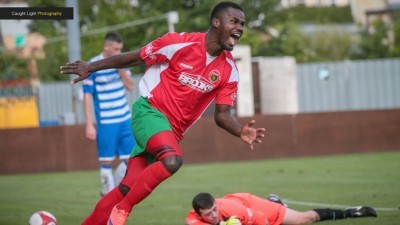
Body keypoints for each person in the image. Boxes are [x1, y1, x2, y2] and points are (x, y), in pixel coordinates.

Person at [60, 2, 266, 225]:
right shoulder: (177, 43)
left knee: (126, 188)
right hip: (149, 113)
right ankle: (122, 211)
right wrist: (91, 67)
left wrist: (240, 131)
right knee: (172, 161)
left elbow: (222, 115)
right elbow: (136, 57)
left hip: (170, 132)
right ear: (216, 22)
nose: (240, 28)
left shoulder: (229, 70)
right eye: (234, 21)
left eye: (242, 24)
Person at [82, 31, 136, 196]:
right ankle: (108, 191)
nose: (120, 52)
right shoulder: (92, 65)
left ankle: (116, 190)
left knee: (131, 160)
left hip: (125, 118)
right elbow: (87, 95)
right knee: (106, 161)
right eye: (116, 49)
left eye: (121, 49)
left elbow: (131, 86)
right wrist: (89, 123)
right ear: (107, 47)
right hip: (106, 121)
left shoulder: (123, 63)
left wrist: (120, 67)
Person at [186, 192, 377, 225]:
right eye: (208, 214)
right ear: (198, 215)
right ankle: (277, 203)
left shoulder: (233, 211)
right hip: (239, 209)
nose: (213, 215)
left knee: (303, 219)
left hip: (251, 207)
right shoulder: (193, 220)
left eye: (214, 210)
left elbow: (261, 219)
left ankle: (353, 211)